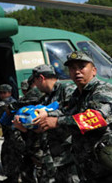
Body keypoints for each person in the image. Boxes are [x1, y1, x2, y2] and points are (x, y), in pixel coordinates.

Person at [35, 51, 112, 181]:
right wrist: (44, 117)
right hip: (87, 165)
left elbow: (97, 118)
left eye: (82, 67)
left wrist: (57, 121)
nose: (77, 71)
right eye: (72, 68)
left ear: (94, 70)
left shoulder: (103, 89)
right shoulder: (77, 94)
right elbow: (68, 114)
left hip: (105, 165)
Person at [0, 84, 24, 183]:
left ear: (9, 93)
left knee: (12, 156)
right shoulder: (8, 102)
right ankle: (11, 177)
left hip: (13, 134)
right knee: (7, 155)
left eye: (4, 92)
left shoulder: (10, 102)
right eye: (0, 93)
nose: (2, 95)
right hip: (8, 133)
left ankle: (15, 178)